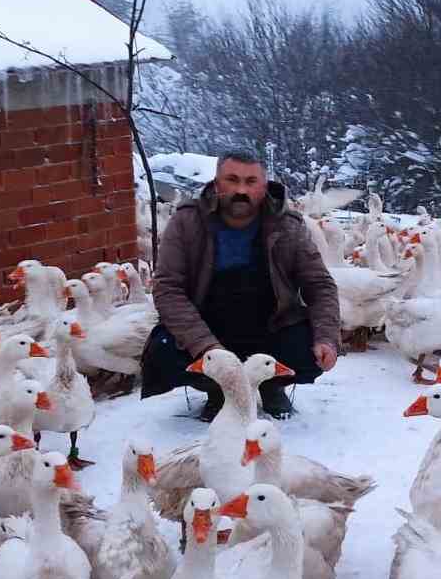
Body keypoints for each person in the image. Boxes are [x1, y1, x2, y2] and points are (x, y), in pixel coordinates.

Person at [139, 149, 341, 420]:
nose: (241, 190)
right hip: (208, 324)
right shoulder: (187, 221)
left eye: (251, 181)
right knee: (163, 352)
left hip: (271, 325)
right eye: (232, 180)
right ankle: (219, 393)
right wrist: (206, 347)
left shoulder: (288, 225)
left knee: (307, 349)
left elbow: (319, 284)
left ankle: (271, 386)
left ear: (264, 185)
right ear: (216, 181)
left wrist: (326, 337)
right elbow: (167, 288)